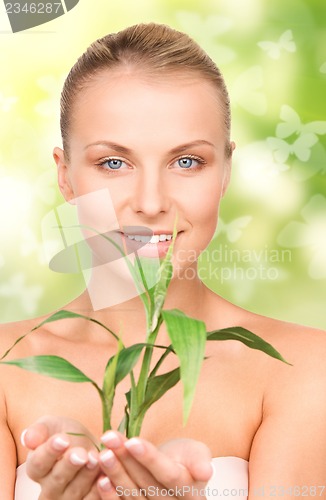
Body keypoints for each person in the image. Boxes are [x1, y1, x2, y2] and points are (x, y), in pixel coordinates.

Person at [0, 22, 326, 500]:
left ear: (225, 171)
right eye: (114, 162)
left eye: (187, 161)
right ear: (65, 176)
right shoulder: (7, 368)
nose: (151, 202)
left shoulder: (307, 369)